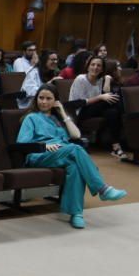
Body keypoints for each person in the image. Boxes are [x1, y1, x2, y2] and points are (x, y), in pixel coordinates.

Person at [17, 83, 127, 228]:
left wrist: (62, 112)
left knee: (75, 167)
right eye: (41, 98)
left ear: (55, 101)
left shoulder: (58, 119)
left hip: (63, 153)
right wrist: (45, 146)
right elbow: (22, 143)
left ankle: (76, 214)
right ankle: (102, 189)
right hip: (40, 155)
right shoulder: (31, 118)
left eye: (48, 99)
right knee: (75, 149)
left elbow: (76, 135)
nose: (43, 102)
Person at [70, 55, 125, 158]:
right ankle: (126, 115)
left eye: (99, 66)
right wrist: (100, 97)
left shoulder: (100, 80)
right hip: (79, 111)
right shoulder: (81, 79)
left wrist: (107, 80)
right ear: (88, 66)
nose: (95, 67)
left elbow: (106, 95)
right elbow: (79, 103)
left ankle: (116, 146)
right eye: (93, 65)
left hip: (94, 108)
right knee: (113, 101)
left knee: (112, 112)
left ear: (102, 69)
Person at [13, 41, 42, 108]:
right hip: (24, 94)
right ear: (24, 51)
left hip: (37, 90)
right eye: (30, 50)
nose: (33, 53)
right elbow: (22, 77)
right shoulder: (18, 61)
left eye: (35, 50)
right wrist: (33, 65)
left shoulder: (38, 62)